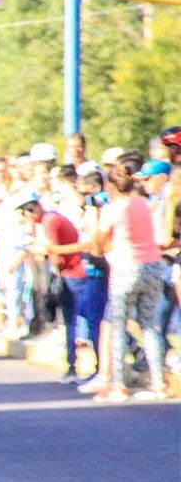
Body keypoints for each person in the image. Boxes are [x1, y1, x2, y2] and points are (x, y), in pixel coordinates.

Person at [91, 157, 167, 402]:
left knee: (118, 324)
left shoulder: (111, 210)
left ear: (111, 186)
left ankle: (119, 385)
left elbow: (99, 244)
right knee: (150, 325)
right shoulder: (143, 204)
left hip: (126, 266)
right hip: (152, 265)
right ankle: (158, 383)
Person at [14, 193, 106, 385]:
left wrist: (43, 250)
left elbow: (54, 251)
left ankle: (78, 367)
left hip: (75, 274)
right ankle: (87, 367)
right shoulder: (51, 219)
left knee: (80, 321)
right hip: (73, 273)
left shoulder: (50, 221)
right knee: (85, 320)